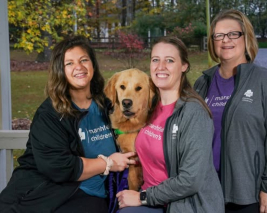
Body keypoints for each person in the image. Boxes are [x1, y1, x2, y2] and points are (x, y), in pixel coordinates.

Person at [0, 35, 136, 213]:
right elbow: (60, 167)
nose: (78, 67)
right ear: (60, 71)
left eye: (83, 60)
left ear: (92, 65)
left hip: (96, 196)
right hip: (48, 195)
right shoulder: (49, 114)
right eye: (69, 63)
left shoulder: (106, 104)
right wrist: (108, 163)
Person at [194, 9, 267, 213]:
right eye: (218, 35)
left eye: (233, 34)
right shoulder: (203, 83)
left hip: (247, 193)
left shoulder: (265, 81)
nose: (225, 40)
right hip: (205, 191)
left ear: (245, 37)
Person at [115, 36, 224, 213]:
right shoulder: (149, 107)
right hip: (150, 198)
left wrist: (142, 197)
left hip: (184, 205)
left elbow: (190, 181)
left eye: (170, 61)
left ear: (184, 66)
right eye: (155, 60)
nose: (160, 67)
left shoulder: (194, 114)